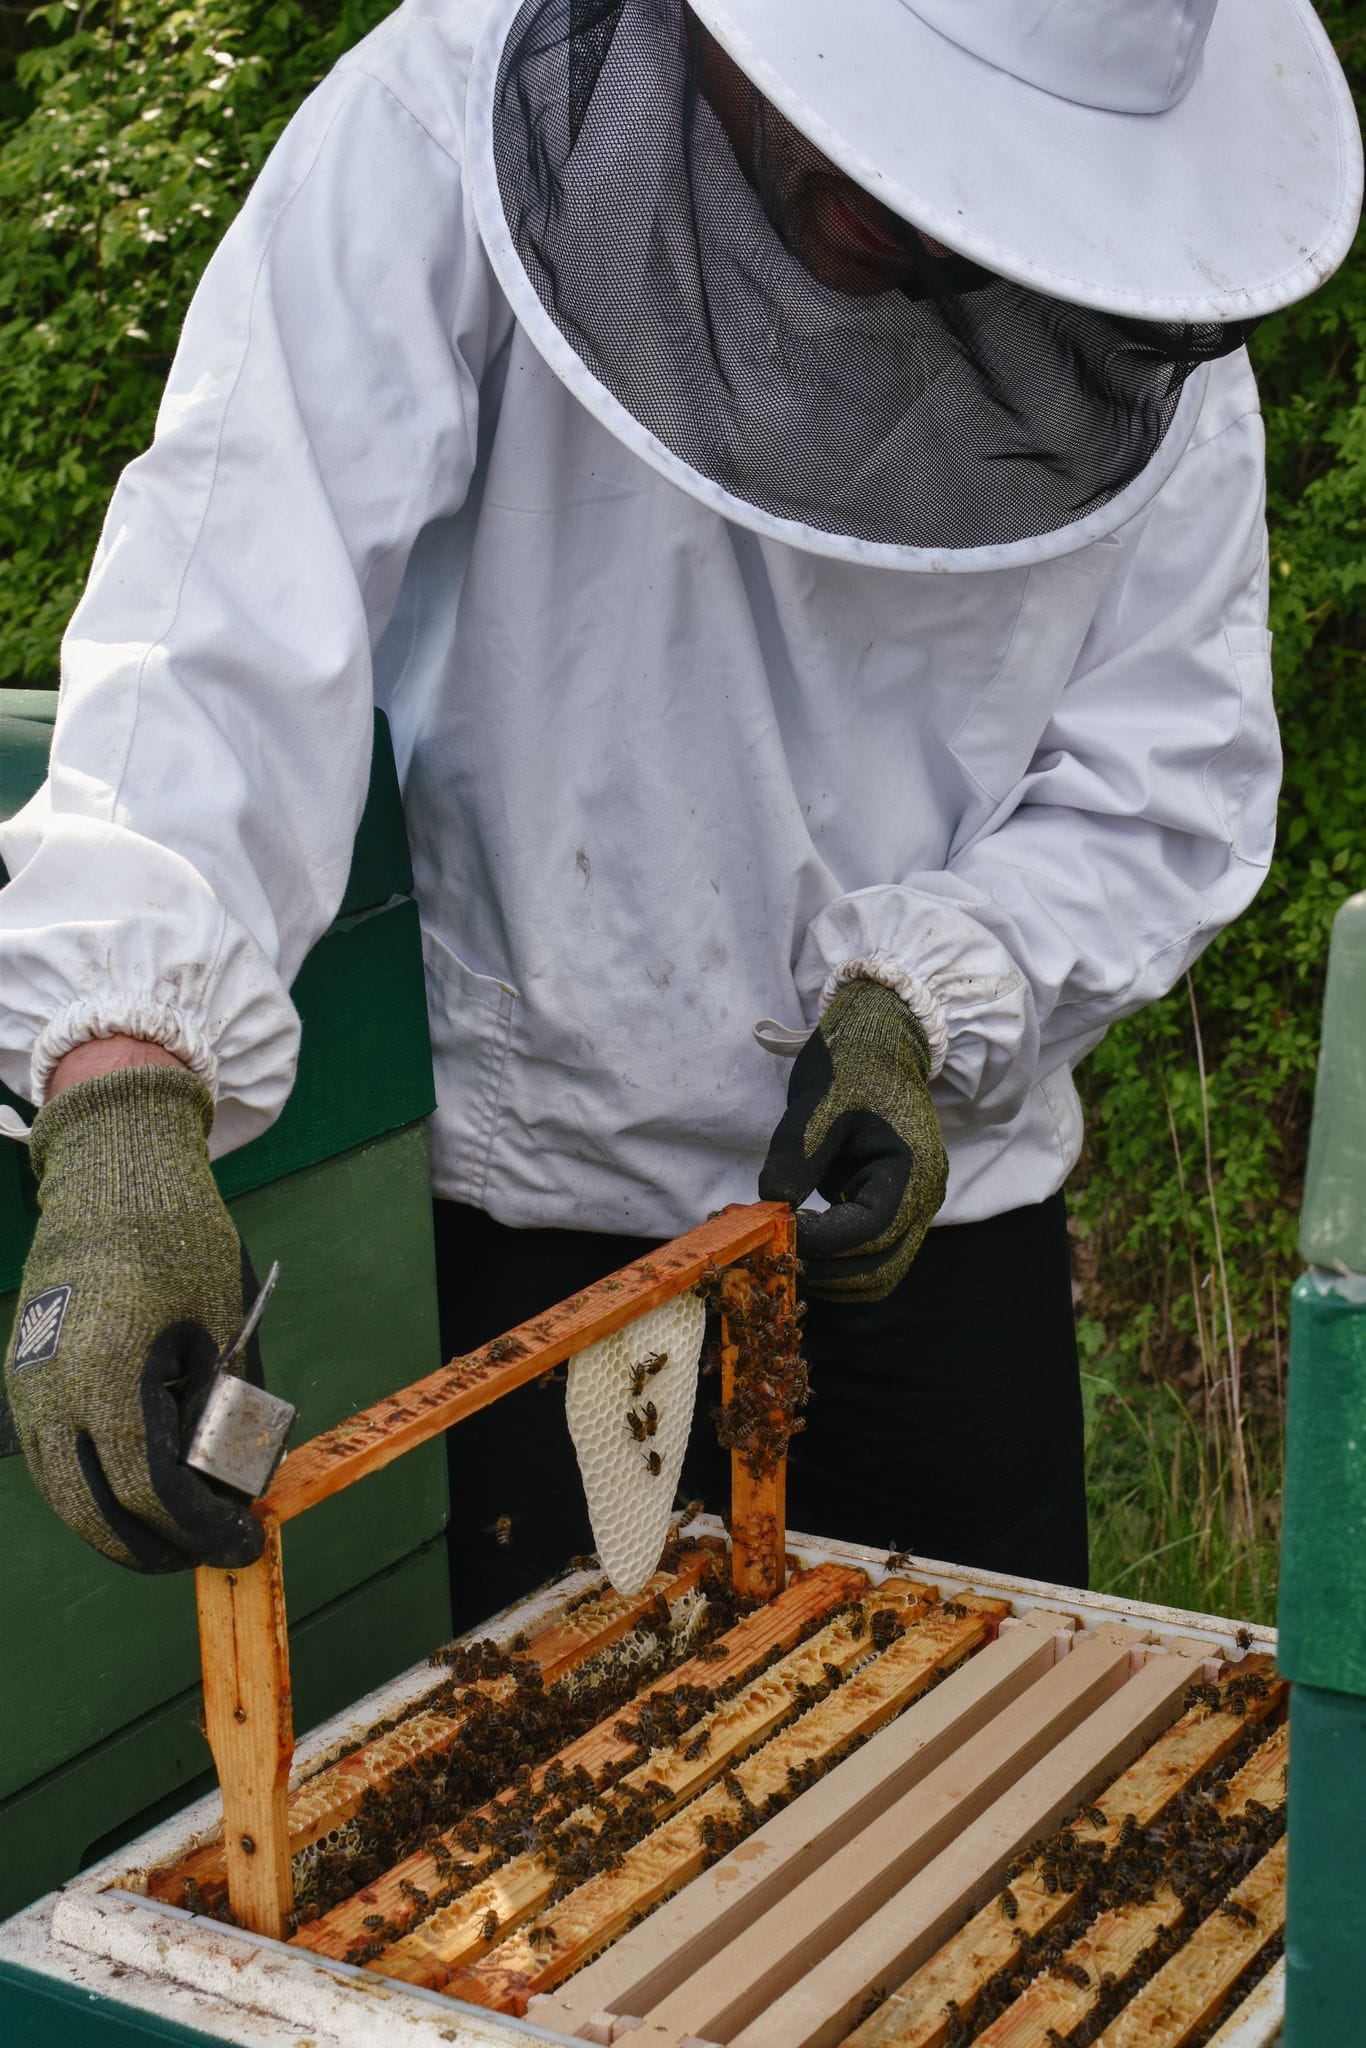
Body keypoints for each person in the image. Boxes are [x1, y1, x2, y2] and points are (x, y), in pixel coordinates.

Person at [2, 0, 1360, 1614]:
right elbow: (224, 619)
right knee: (534, 1822)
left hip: (918, 1221)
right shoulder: (436, 125)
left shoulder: (1136, 307)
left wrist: (923, 1003)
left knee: (977, 1831)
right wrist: (122, 1086)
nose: (909, 204)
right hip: (524, 1227)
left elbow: (1163, 779)